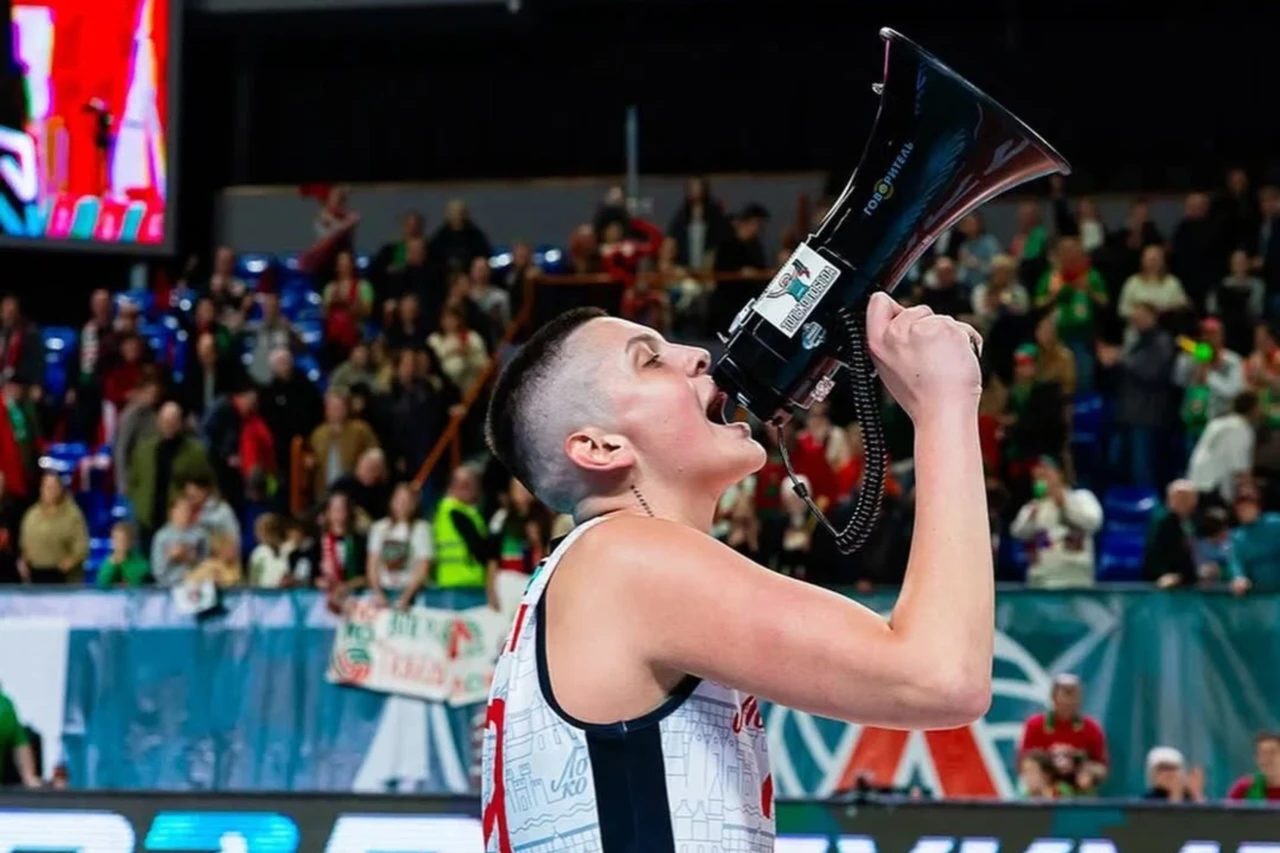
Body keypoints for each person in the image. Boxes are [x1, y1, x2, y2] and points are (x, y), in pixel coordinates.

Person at [479, 296, 993, 850]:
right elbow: (941, 677)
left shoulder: (587, 572)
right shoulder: (626, 559)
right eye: (650, 360)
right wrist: (944, 406)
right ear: (600, 447)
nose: (698, 356)